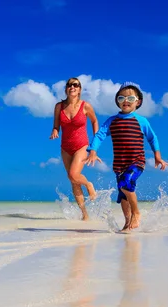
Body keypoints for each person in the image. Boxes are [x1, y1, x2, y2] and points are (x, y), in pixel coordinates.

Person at [85, 82, 168, 231]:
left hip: (136, 161)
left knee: (126, 184)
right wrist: (93, 150)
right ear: (117, 101)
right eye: (121, 97)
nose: (125, 101)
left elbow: (152, 137)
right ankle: (127, 223)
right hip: (119, 164)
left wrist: (157, 156)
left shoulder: (141, 121)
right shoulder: (112, 121)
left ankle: (136, 213)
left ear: (138, 102)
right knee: (123, 194)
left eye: (130, 98)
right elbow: (99, 135)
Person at [50, 77, 99, 221]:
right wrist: (55, 130)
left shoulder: (86, 106)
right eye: (70, 85)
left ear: (79, 89)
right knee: (73, 181)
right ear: (66, 89)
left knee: (72, 174)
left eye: (75, 85)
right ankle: (85, 214)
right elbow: (56, 124)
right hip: (65, 147)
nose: (72, 87)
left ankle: (89, 184)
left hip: (82, 145)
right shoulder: (59, 106)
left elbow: (94, 121)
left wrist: (94, 144)